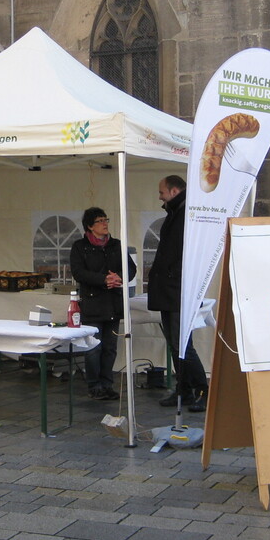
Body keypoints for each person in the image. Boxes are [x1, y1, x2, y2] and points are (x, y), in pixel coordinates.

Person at [147, 175, 209, 411]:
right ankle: (184, 389)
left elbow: (187, 255)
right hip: (170, 289)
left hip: (179, 290)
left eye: (162, 192)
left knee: (183, 343)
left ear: (174, 191)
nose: (160, 196)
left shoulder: (187, 214)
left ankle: (202, 389)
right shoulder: (176, 213)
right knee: (175, 343)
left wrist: (172, 275)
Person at [70, 207, 135, 400]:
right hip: (92, 304)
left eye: (106, 219)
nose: (105, 223)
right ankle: (94, 385)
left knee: (110, 347)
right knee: (93, 347)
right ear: (90, 226)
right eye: (100, 221)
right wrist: (103, 280)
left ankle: (107, 383)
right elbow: (78, 272)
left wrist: (119, 277)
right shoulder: (80, 246)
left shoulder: (116, 245)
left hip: (113, 303)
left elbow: (131, 269)